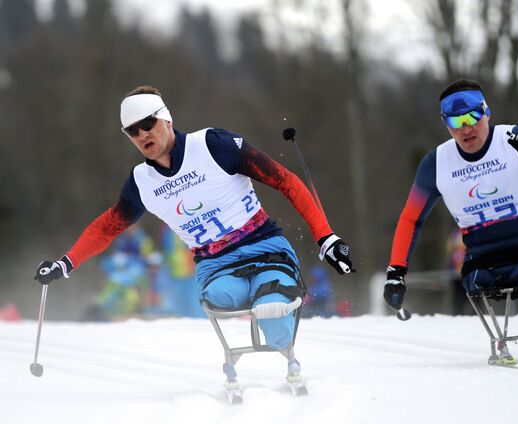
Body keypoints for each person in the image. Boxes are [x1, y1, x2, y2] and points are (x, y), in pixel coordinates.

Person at [34, 85, 354, 352]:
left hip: (264, 247)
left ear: (167, 119)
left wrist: (326, 237)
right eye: (132, 131)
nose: (142, 133)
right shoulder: (142, 182)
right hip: (215, 266)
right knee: (222, 300)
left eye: (148, 123)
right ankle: (269, 295)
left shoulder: (213, 145)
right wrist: (65, 264)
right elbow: (107, 227)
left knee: (273, 317)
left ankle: (275, 296)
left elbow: (284, 180)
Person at [383, 79, 518, 323]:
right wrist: (396, 272)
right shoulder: (436, 163)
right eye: (455, 121)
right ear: (445, 122)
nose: (466, 128)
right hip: (483, 263)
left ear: (486, 112)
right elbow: (411, 219)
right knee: (478, 283)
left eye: (472, 117)